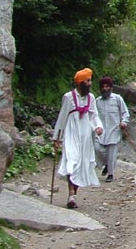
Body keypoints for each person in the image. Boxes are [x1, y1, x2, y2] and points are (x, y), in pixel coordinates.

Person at [52, 68, 104, 208]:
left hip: (85, 134)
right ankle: (71, 193)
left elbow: (94, 115)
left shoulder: (91, 98)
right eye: (87, 81)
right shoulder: (68, 97)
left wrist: (98, 127)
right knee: (72, 159)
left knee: (82, 163)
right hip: (71, 132)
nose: (90, 83)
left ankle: (74, 193)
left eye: (90, 80)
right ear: (80, 82)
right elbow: (62, 117)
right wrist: (57, 137)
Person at [94, 76, 129, 183]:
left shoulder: (117, 99)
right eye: (103, 87)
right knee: (97, 148)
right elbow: (94, 116)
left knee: (112, 152)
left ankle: (110, 174)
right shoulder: (97, 101)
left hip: (114, 130)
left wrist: (124, 122)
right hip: (101, 131)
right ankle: (107, 164)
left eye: (107, 86)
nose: (105, 89)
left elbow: (125, 113)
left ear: (111, 88)